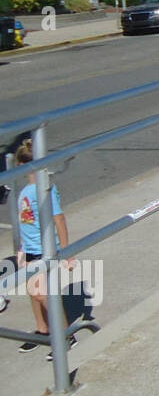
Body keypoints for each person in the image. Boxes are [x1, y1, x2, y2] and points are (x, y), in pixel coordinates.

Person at [13, 139, 78, 360]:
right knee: (34, 293)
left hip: (44, 250)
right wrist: (22, 248)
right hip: (30, 249)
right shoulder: (27, 190)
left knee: (44, 294)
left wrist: (67, 252)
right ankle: (43, 330)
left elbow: (59, 219)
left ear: (22, 165)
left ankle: (66, 335)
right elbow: (27, 222)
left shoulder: (44, 189)